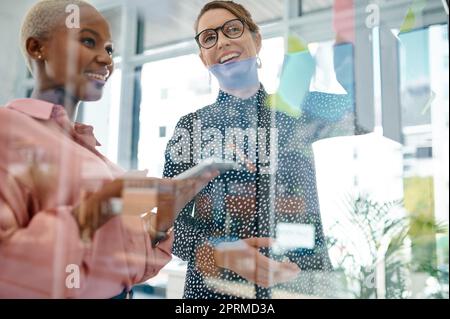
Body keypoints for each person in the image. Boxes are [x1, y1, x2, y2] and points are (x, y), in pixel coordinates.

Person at [0, 0, 215, 299]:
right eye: (88, 41)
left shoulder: (90, 152)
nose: (106, 59)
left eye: (111, 49)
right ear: (38, 48)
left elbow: (120, 268)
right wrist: (106, 202)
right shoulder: (7, 128)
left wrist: (163, 219)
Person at [163, 0, 356, 299]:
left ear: (257, 39)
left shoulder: (296, 110)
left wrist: (347, 50)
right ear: (203, 58)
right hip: (214, 293)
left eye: (232, 29)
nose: (223, 40)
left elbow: (367, 114)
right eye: (209, 37)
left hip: (297, 284)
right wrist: (220, 251)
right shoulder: (191, 127)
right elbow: (165, 220)